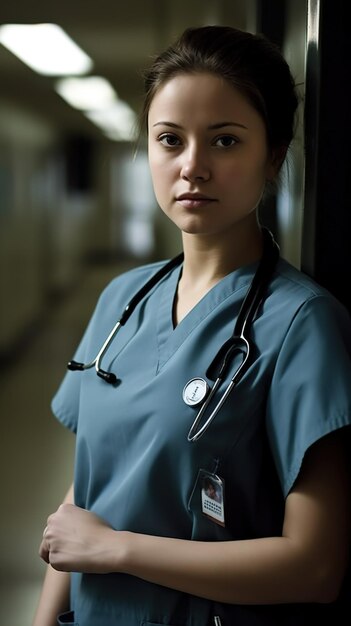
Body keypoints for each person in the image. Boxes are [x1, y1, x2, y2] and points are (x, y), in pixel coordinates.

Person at [32, 24, 351, 626]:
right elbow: (86, 496)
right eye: (170, 140)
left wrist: (119, 550)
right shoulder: (122, 298)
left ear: (274, 156)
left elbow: (316, 566)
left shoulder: (302, 325)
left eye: (225, 141)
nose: (193, 167)